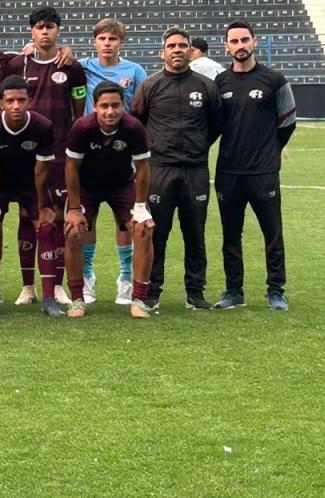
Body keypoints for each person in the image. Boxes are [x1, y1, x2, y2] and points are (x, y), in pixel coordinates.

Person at [131, 27, 222, 310]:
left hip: (195, 170)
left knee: (195, 233)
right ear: (163, 52)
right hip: (160, 170)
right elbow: (137, 122)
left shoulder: (205, 86)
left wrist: (198, 147)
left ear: (191, 51)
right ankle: (151, 291)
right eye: (172, 46)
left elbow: (217, 123)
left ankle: (195, 292)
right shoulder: (150, 85)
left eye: (183, 45)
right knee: (157, 233)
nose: (177, 50)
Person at [5, 7, 87, 305]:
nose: (45, 32)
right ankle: (28, 286)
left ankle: (58, 285)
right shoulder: (18, 64)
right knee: (27, 217)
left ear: (58, 30)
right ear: (31, 32)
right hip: (25, 154)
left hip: (59, 154)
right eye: (39, 27)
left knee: (59, 218)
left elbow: (79, 112)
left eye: (50, 27)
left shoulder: (72, 67)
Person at [213, 21, 296, 311]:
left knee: (272, 232)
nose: (240, 45)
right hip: (228, 172)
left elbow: (288, 121)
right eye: (234, 41)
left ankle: (276, 291)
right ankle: (234, 291)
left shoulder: (274, 80)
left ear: (254, 42)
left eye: (244, 40)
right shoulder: (220, 83)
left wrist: (271, 150)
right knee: (230, 234)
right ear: (226, 46)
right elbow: (212, 127)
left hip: (263, 173)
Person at [62, 82, 154, 319]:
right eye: (104, 106)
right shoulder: (82, 127)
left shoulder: (133, 127)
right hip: (87, 186)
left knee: (143, 229)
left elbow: (143, 167)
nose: (110, 111)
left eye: (115, 105)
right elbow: (71, 167)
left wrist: (141, 208)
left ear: (123, 105)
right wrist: (74, 208)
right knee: (73, 230)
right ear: (95, 106)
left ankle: (139, 299)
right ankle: (77, 299)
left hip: (122, 184)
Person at [75, 18, 148, 305]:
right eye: (103, 38)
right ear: (94, 42)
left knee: (125, 222)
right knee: (87, 220)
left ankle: (125, 278)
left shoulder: (135, 70)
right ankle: (88, 275)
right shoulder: (82, 66)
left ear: (121, 42)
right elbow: (52, 60)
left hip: (123, 152)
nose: (107, 44)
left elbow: (142, 107)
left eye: (113, 39)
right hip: (91, 153)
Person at [0, 76, 61, 318]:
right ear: (1, 103)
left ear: (29, 101)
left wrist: (43, 205)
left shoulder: (43, 125)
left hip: (30, 183)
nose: (16, 106)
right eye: (10, 101)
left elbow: (42, 169)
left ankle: (48, 298)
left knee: (45, 228)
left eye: (21, 100)